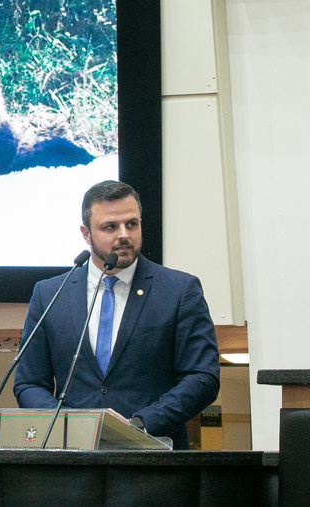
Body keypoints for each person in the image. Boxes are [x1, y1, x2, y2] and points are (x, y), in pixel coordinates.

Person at [13, 180, 221, 449]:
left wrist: (138, 426)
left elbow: (202, 377)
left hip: (154, 459)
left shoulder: (179, 291)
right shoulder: (50, 294)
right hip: (73, 462)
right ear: (86, 234)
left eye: (132, 224)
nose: (124, 234)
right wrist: (69, 424)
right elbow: (29, 384)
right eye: (110, 227)